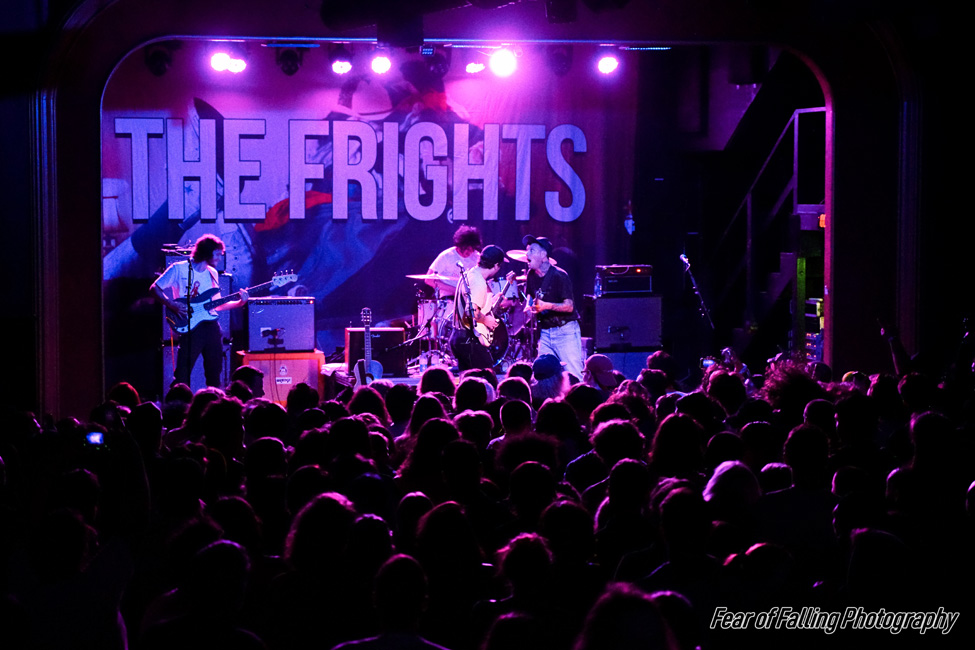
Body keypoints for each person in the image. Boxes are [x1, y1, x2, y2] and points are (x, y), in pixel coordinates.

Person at [151, 234, 248, 388]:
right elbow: (154, 288)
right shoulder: (179, 269)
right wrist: (172, 305)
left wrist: (239, 302)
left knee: (214, 373)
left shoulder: (213, 273)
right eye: (217, 254)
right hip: (190, 327)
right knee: (182, 374)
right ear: (207, 252)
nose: (219, 258)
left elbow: (217, 304)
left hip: (211, 327)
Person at [522, 235, 583, 381]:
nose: (527, 254)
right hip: (545, 333)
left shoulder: (559, 275)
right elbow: (530, 296)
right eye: (528, 250)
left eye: (532, 250)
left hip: (565, 332)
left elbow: (569, 307)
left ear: (544, 256)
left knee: (573, 374)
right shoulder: (531, 275)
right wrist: (528, 307)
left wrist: (545, 306)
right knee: (542, 374)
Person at [450, 245, 511, 371]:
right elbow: (471, 311)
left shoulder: (469, 274)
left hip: (458, 338)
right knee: (485, 379)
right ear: (496, 265)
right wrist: (486, 320)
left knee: (468, 383)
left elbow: (472, 302)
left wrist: (491, 301)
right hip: (469, 340)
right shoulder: (478, 281)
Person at [425, 225, 483, 299]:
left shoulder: (476, 256)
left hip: (469, 298)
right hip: (448, 297)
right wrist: (455, 290)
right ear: (460, 245)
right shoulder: (446, 256)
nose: (470, 252)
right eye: (467, 249)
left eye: (473, 249)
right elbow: (428, 280)